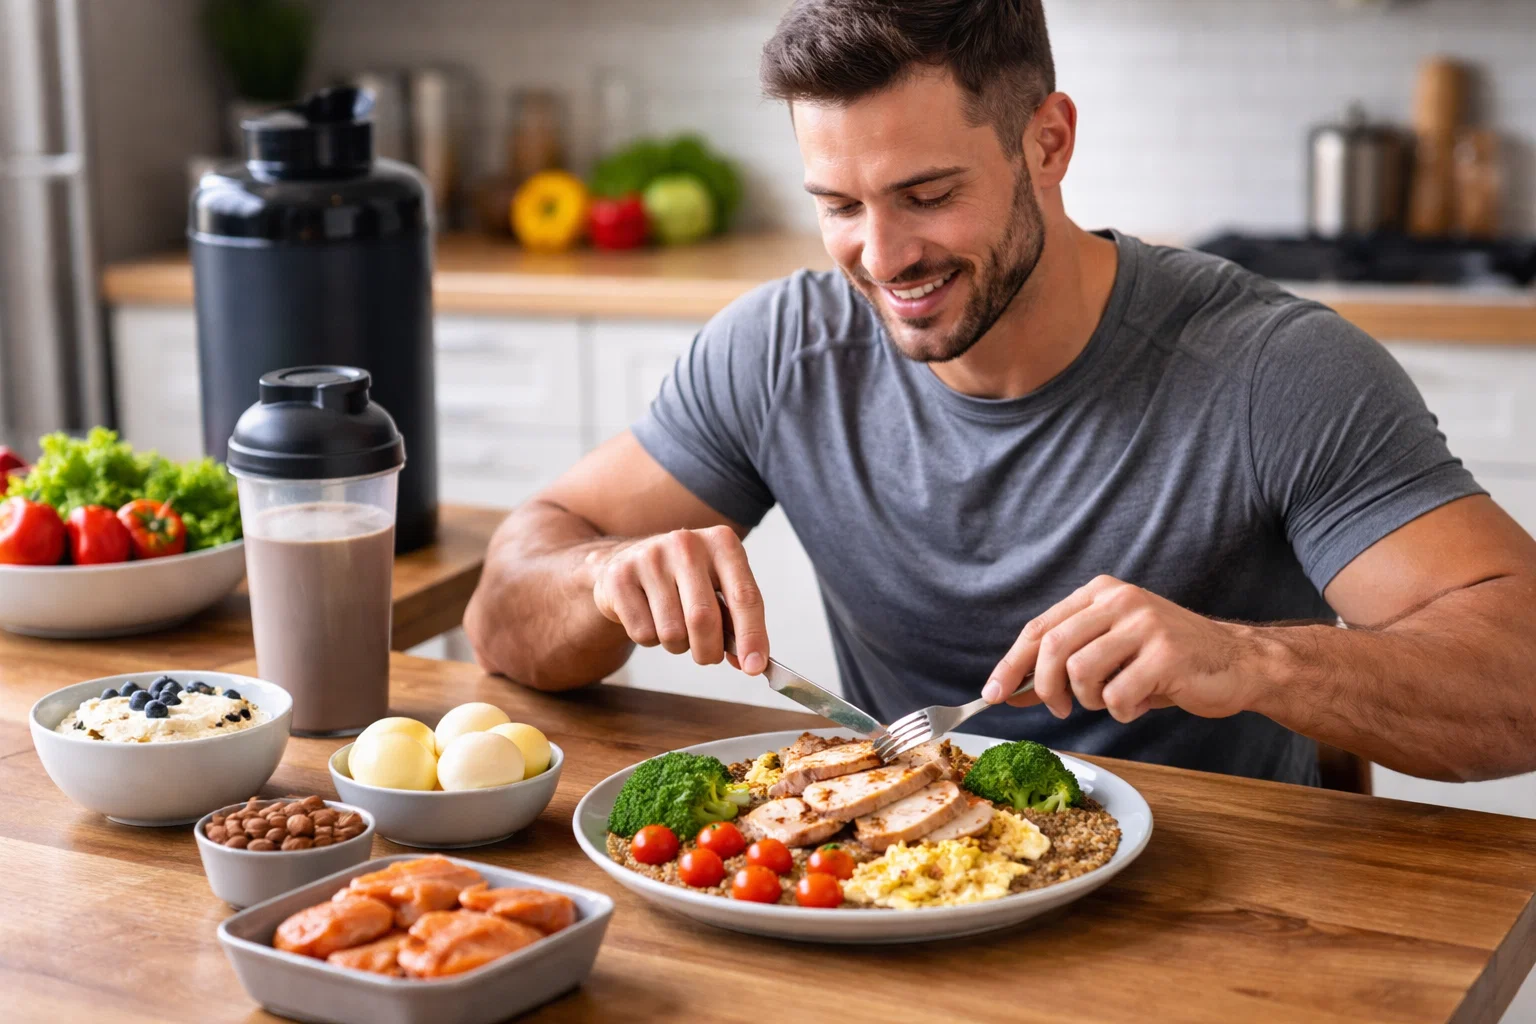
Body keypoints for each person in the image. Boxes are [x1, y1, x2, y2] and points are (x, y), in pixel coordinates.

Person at [465, 0, 1536, 786]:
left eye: (927, 195)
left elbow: (1521, 676)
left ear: (1049, 142)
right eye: (838, 204)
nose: (881, 257)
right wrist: (603, 575)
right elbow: (505, 612)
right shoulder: (782, 350)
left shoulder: (1271, 369)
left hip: (1234, 919)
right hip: (908, 893)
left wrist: (1250, 657)